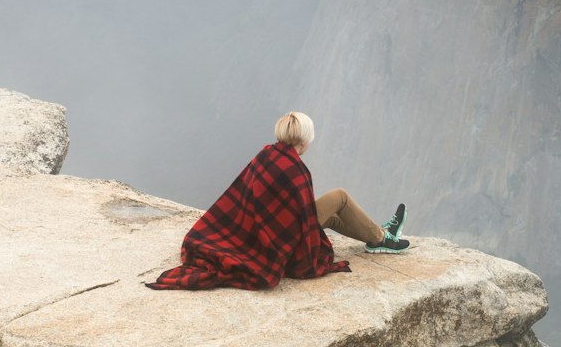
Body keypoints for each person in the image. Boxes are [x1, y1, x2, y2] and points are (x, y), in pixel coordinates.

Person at [145, 111, 409, 291]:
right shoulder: (295, 169)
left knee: (334, 215)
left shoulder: (267, 154)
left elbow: (241, 194)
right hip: (281, 240)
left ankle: (379, 236)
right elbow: (304, 219)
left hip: (262, 231)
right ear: (306, 138)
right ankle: (381, 238)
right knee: (339, 197)